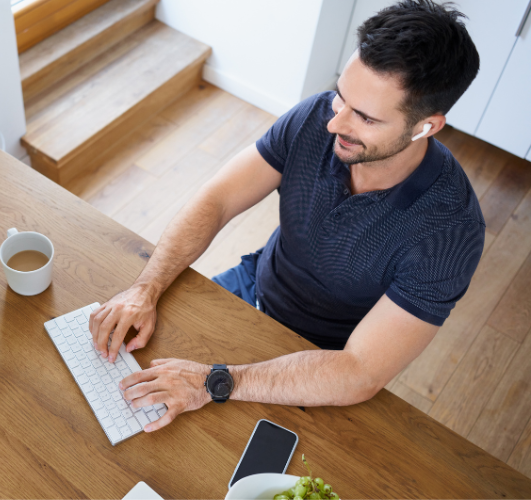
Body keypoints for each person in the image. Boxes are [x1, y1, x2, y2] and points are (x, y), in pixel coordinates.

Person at [89, 0, 484, 432]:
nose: (335, 124)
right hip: (251, 285)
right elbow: (218, 198)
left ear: (426, 126)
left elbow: (359, 371)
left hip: (317, 359)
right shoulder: (317, 116)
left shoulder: (449, 231)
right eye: (342, 96)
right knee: (118, 386)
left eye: (365, 117)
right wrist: (146, 288)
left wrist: (213, 382)